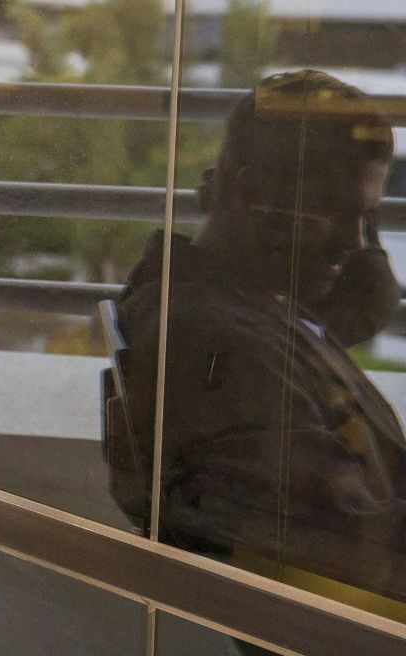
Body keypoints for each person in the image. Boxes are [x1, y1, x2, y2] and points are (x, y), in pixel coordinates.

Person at [105, 69, 404, 601]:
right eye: (333, 212)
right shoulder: (217, 347)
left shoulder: (229, 304)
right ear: (251, 191)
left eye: (365, 219)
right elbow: (355, 545)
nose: (352, 244)